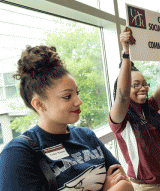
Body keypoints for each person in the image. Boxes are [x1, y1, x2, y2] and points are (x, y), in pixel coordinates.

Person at [0, 45, 133, 191]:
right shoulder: (18, 153)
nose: (79, 101)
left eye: (77, 93)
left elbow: (120, 178)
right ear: (39, 104)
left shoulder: (86, 136)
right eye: (67, 96)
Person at [109, 27, 160, 191]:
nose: (142, 88)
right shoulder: (121, 119)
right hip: (145, 187)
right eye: (135, 85)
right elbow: (122, 96)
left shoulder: (150, 106)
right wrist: (126, 51)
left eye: (144, 84)